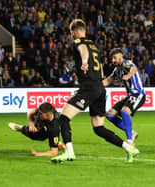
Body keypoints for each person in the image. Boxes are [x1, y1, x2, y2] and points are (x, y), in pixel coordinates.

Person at [51, 19, 139, 163]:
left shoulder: (79, 42)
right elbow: (100, 65)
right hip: (99, 87)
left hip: (89, 87)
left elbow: (83, 51)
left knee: (63, 118)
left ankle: (69, 152)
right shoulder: (95, 46)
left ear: (74, 32)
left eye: (72, 33)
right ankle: (129, 149)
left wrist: (84, 62)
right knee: (98, 127)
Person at [103, 48, 146, 145]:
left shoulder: (127, 63)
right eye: (112, 59)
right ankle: (132, 133)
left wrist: (129, 75)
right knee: (110, 115)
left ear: (120, 56)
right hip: (129, 96)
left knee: (124, 111)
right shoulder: (117, 70)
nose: (113, 60)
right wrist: (93, 85)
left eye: (114, 58)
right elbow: (107, 81)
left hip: (138, 94)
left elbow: (134, 69)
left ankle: (129, 140)